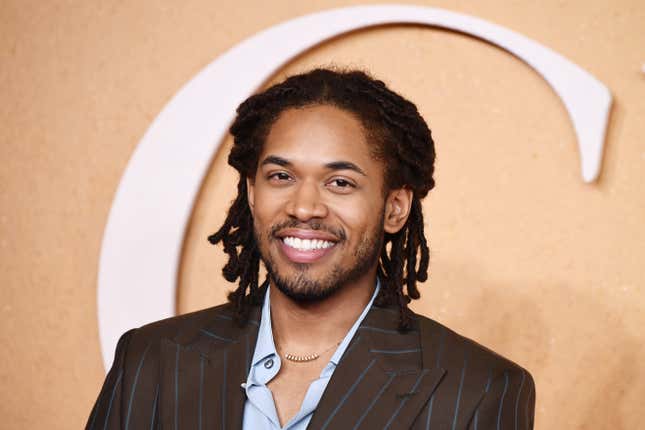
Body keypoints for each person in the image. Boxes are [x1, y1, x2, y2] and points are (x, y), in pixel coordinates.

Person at [86, 68, 535, 429]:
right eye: (281, 176)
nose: (304, 207)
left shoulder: (478, 390)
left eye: (340, 183)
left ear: (395, 208)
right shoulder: (151, 360)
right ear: (251, 192)